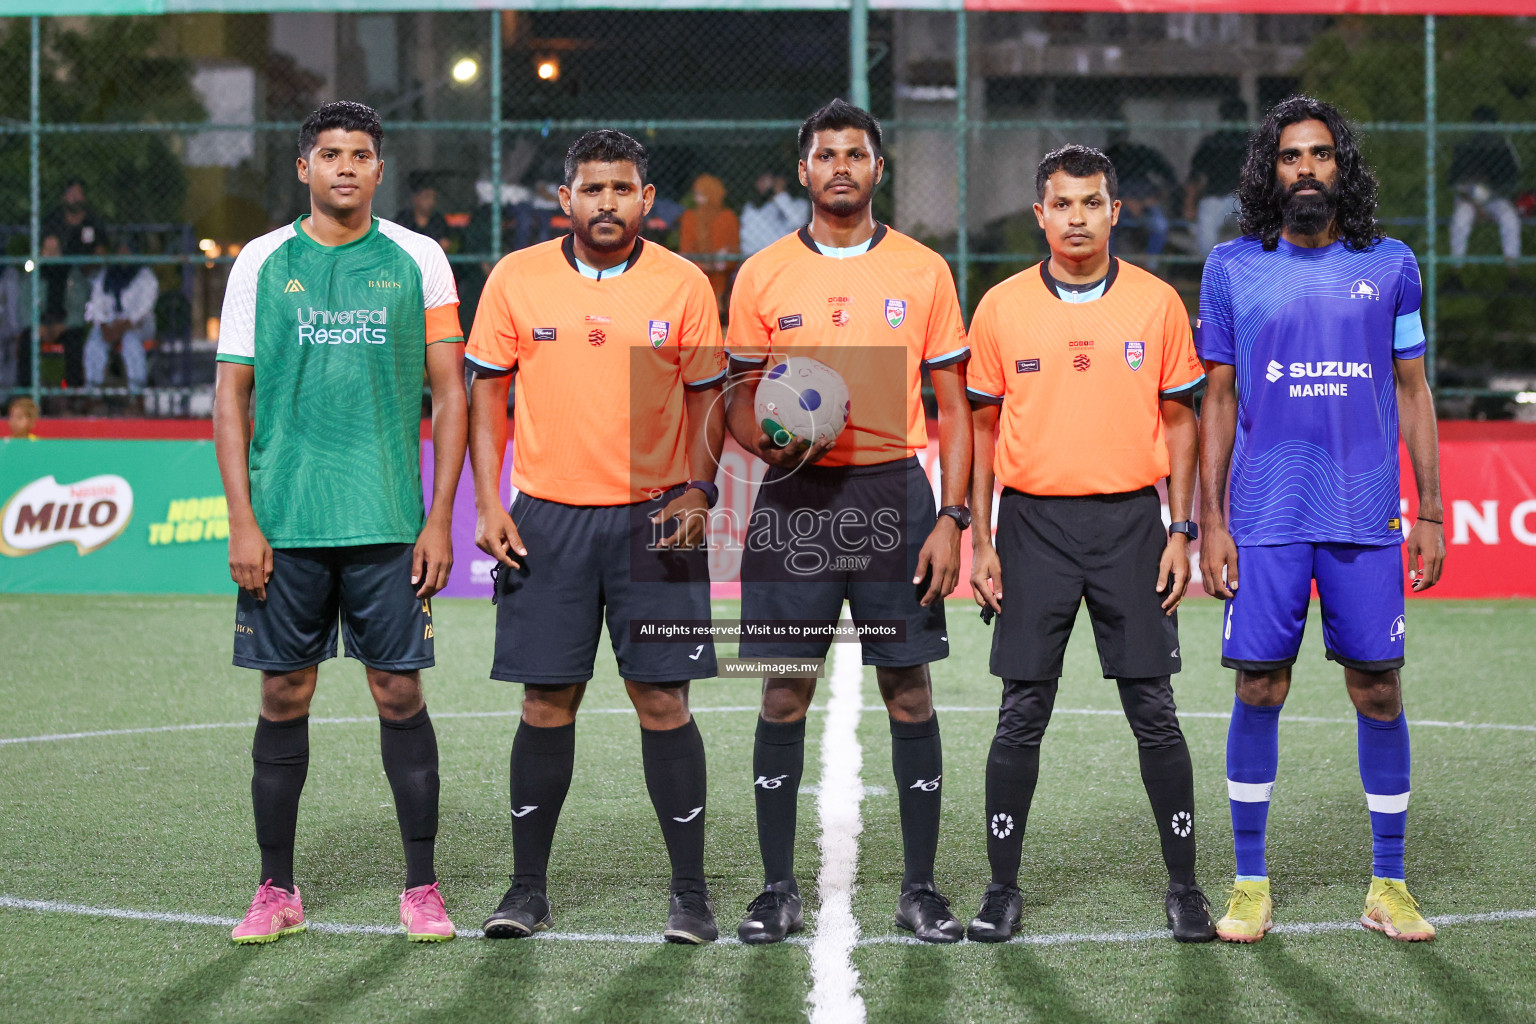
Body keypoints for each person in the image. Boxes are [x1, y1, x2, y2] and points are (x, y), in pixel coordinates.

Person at [213, 101, 467, 946]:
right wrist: (243, 521)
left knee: (399, 692)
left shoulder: (419, 259)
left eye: (361, 154)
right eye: (330, 154)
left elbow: (451, 393)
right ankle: (274, 887)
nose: (346, 167)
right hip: (285, 523)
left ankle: (421, 887)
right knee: (284, 691)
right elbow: (231, 396)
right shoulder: (259, 262)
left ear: (379, 169)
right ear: (303, 168)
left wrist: (440, 520)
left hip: (389, 522)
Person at [466, 130, 728, 945]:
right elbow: (486, 396)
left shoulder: (683, 284)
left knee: (662, 700)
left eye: (622, 189)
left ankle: (690, 896)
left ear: (648, 201)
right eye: (592, 189)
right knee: (546, 701)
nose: (606, 202)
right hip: (547, 517)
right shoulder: (517, 278)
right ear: (564, 200)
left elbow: (707, 401)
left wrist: (699, 487)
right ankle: (525, 892)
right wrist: (491, 500)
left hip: (656, 519)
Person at [1197, 95, 1446, 944]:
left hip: (1364, 513)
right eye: (1291, 156)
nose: (1307, 168)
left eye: (1322, 154)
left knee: (1378, 687)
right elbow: (1218, 399)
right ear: (1271, 171)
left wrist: (1433, 511)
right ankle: (1250, 880)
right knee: (1259, 685)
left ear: (1344, 167)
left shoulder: (1393, 263)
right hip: (1265, 515)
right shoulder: (1232, 267)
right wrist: (1210, 520)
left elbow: (1414, 390)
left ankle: (1388, 881)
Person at [726, 99, 973, 945]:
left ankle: (920, 889)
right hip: (796, 499)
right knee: (784, 690)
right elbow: (732, 402)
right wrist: (774, 437)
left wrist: (954, 516)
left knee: (909, 690)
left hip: (893, 496)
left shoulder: (923, 271)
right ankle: (774, 890)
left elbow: (955, 409)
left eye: (856, 154)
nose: (841, 166)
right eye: (825, 154)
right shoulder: (761, 276)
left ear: (879, 168)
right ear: (803, 171)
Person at [964, 144, 1214, 944]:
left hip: (1134, 527)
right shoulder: (1001, 306)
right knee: (1020, 712)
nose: (1077, 217)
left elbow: (1182, 422)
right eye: (1062, 204)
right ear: (1040, 215)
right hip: (1032, 526)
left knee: (1154, 712)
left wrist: (1182, 528)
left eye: (1092, 202)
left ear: (1114, 210)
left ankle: (1185, 887)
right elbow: (980, 425)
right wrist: (982, 540)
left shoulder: (1155, 303)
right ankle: (1002, 889)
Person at [1448, 106, 1522, 266]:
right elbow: (1456, 183)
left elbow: (1509, 182)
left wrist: (1491, 200)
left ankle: (1514, 274)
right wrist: (1476, 205)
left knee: (1510, 218)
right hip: (1468, 200)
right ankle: (1455, 272)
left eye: (1486, 123)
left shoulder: (1502, 149)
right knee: (1461, 219)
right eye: (1478, 123)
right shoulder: (1465, 148)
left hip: (1494, 199)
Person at [83, 240, 158, 394]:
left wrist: (124, 325)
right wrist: (104, 325)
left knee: (131, 343)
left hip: (136, 324)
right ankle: (93, 393)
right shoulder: (106, 275)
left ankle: (136, 394)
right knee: (94, 343)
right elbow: (95, 303)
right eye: (120, 251)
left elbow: (144, 306)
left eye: (127, 251)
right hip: (109, 324)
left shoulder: (145, 275)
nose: (123, 255)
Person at [1185, 97, 1251, 256]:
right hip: (1216, 197)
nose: (1234, 120)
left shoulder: (1253, 142)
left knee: (1262, 224)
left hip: (1245, 198)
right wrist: (1189, 204)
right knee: (1206, 234)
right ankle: (1213, 270)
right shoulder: (1212, 143)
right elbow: (1195, 176)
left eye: (1238, 116)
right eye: (1231, 116)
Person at [1104, 130, 1177, 263]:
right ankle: (1110, 265)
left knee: (1160, 226)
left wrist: (1151, 200)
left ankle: (1151, 266)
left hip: (1146, 203)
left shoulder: (1143, 153)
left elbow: (1170, 180)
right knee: (1105, 227)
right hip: (1120, 205)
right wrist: (1125, 201)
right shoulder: (1107, 156)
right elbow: (1101, 189)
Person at [677, 173, 739, 314]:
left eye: (702, 194)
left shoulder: (728, 217)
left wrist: (718, 263)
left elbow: (734, 250)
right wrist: (701, 264)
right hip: (695, 270)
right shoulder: (690, 218)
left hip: (721, 272)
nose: (697, 198)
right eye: (697, 194)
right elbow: (686, 250)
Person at [739, 172, 809, 256]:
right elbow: (747, 241)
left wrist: (779, 193)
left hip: (790, 255)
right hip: (761, 257)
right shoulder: (752, 209)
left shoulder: (800, 204)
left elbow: (797, 221)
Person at [395, 171, 451, 252]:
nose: (430, 202)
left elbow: (444, 244)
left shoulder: (438, 220)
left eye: (433, 198)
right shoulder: (404, 219)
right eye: (426, 197)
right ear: (415, 198)